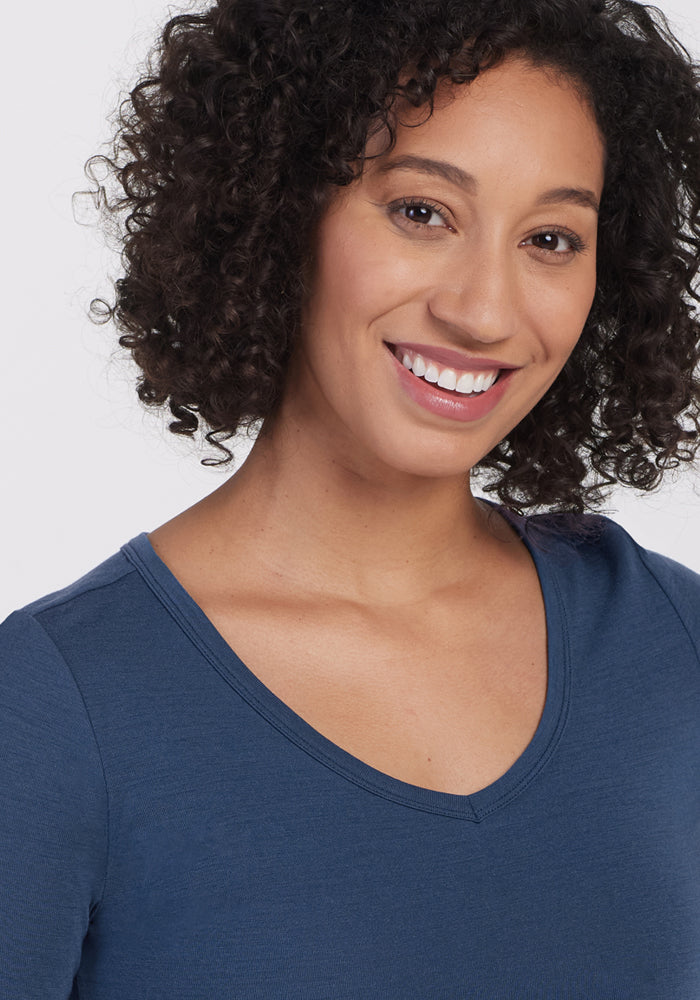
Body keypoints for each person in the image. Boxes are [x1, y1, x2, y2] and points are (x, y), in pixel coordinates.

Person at [1, 0, 699, 995]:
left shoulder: (667, 644)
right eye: (421, 212)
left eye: (550, 238)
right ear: (282, 210)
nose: (483, 309)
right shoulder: (57, 709)